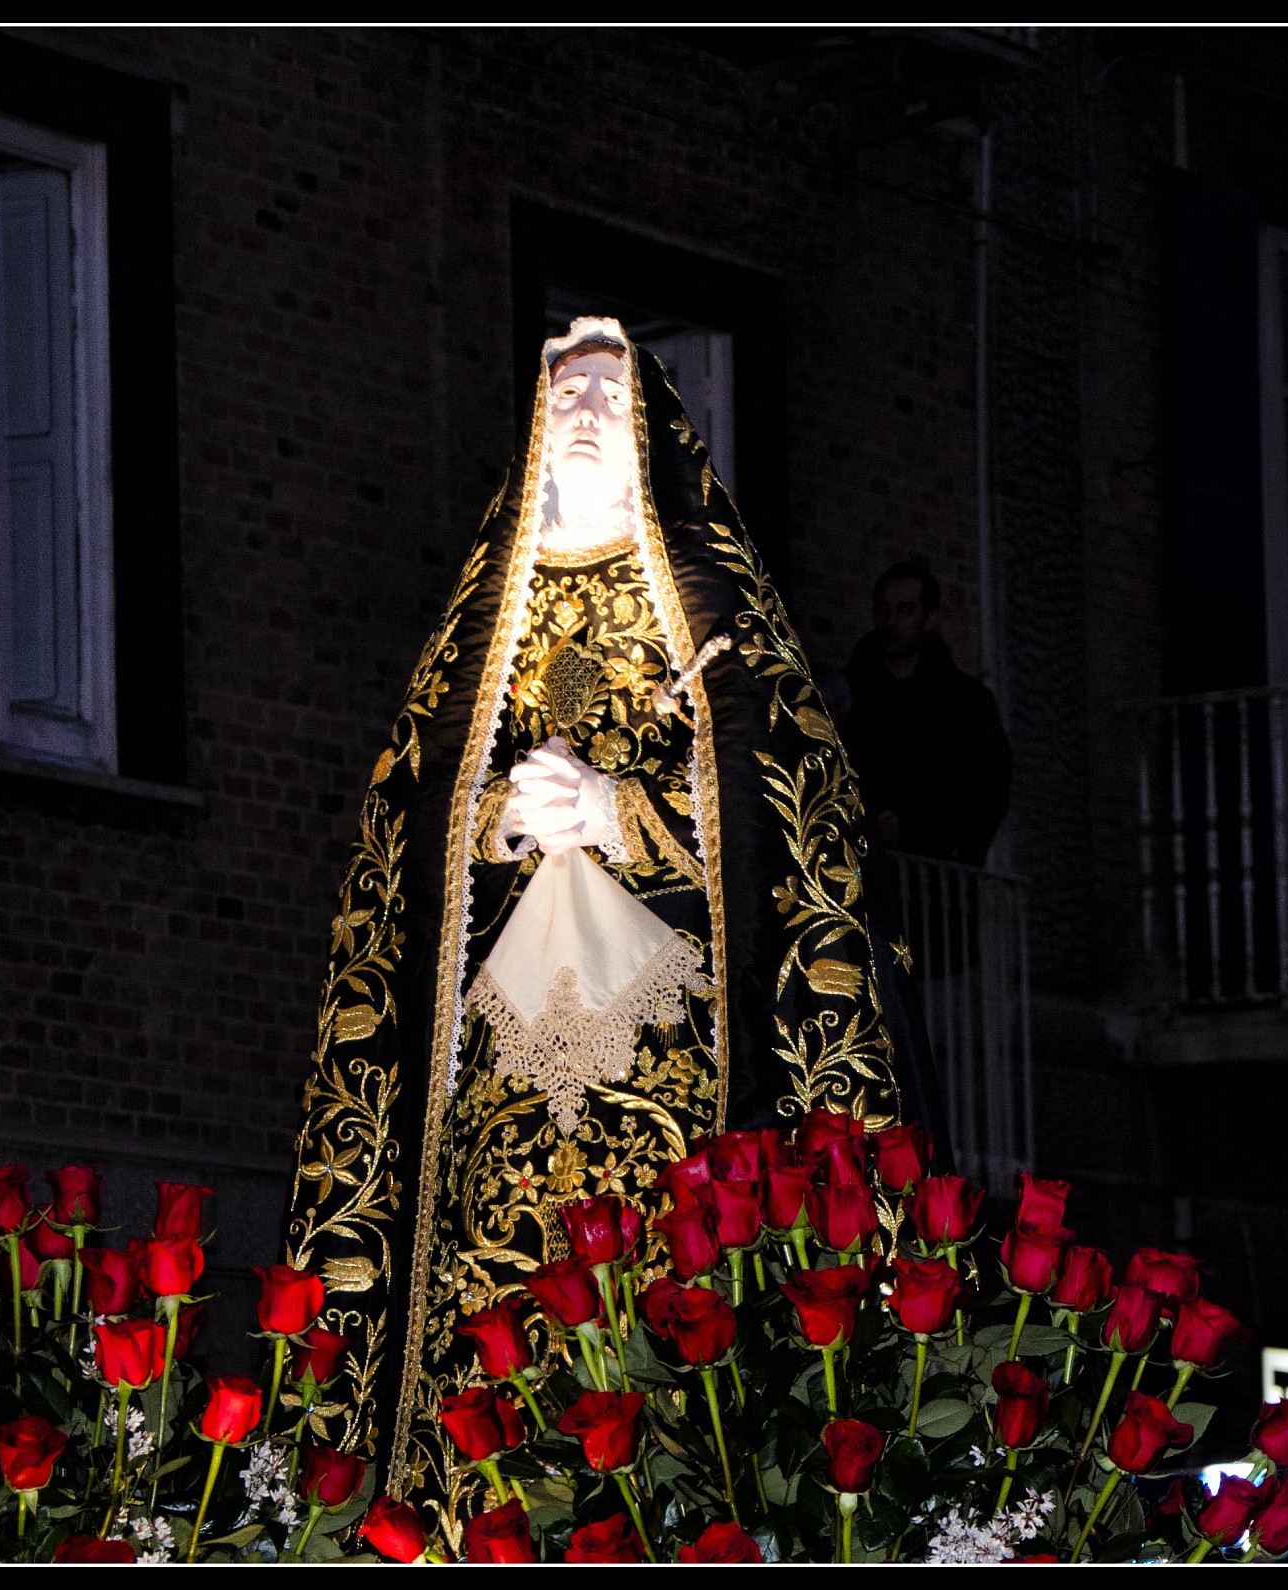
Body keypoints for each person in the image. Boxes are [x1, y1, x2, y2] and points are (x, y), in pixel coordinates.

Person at [280, 318, 934, 1525]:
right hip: (498, 1090)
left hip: (674, 1078)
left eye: (608, 389)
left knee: (654, 1329)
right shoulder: (486, 625)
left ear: (650, 430)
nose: (582, 405)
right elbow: (404, 834)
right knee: (492, 1348)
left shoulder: (714, 615)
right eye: (564, 388)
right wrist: (505, 828)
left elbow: (797, 822)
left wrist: (620, 811)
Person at [838, 561, 1011, 868]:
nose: (891, 621)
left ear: (929, 619)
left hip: (939, 883)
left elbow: (989, 789)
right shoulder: (848, 695)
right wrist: (867, 818)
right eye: (883, 609)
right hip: (861, 877)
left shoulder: (967, 702)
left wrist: (947, 843)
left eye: (905, 610)